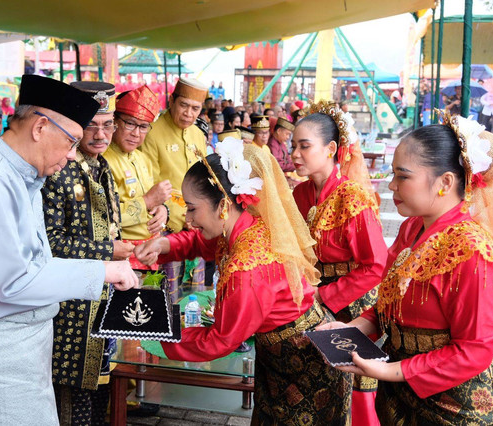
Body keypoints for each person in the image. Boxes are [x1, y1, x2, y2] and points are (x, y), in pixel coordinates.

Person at [0, 75, 138, 425]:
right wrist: (103, 269)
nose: (72, 155)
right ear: (40, 127)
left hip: (24, 345)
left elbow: (37, 263)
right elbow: (14, 281)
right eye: (71, 141)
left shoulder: (21, 176)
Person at [134, 139, 352, 424]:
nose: (187, 219)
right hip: (282, 356)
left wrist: (161, 336)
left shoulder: (247, 268)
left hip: (303, 367)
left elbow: (219, 340)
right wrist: (165, 245)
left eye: (191, 209)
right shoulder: (244, 225)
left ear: (223, 205)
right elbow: (202, 243)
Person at [320, 114, 493, 424]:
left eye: (402, 176)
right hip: (401, 393)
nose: (391, 185)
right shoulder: (411, 229)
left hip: (455, 404)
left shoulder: (472, 252)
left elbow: (475, 349)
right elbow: (388, 303)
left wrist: (389, 370)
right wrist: (351, 328)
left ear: (446, 182)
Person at [291, 100, 387, 425]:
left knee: (356, 380)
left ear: (331, 148)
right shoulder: (300, 194)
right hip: (315, 297)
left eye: (304, 146)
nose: (295, 154)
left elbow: (376, 266)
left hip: (354, 303)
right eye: (293, 146)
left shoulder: (353, 198)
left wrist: (326, 297)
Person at [41, 81, 131, 425]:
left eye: (108, 125)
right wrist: (108, 249)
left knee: (101, 395)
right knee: (72, 401)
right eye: (91, 125)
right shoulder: (58, 169)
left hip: (103, 302)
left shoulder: (101, 166)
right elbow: (48, 242)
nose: (101, 133)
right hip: (70, 312)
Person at [141, 77, 208, 299]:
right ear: (171, 100)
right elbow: (149, 185)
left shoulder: (198, 134)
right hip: (166, 224)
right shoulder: (152, 132)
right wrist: (181, 216)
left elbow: (205, 180)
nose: (189, 113)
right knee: (167, 296)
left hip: (196, 225)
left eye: (195, 108)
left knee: (195, 297)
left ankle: (193, 334)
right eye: (184, 105)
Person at [103, 85, 170, 273]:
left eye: (143, 127)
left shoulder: (142, 159)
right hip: (123, 257)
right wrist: (148, 201)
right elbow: (103, 217)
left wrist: (163, 210)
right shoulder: (103, 162)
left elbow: (154, 201)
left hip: (150, 253)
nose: (136, 133)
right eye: (130, 124)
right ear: (115, 121)